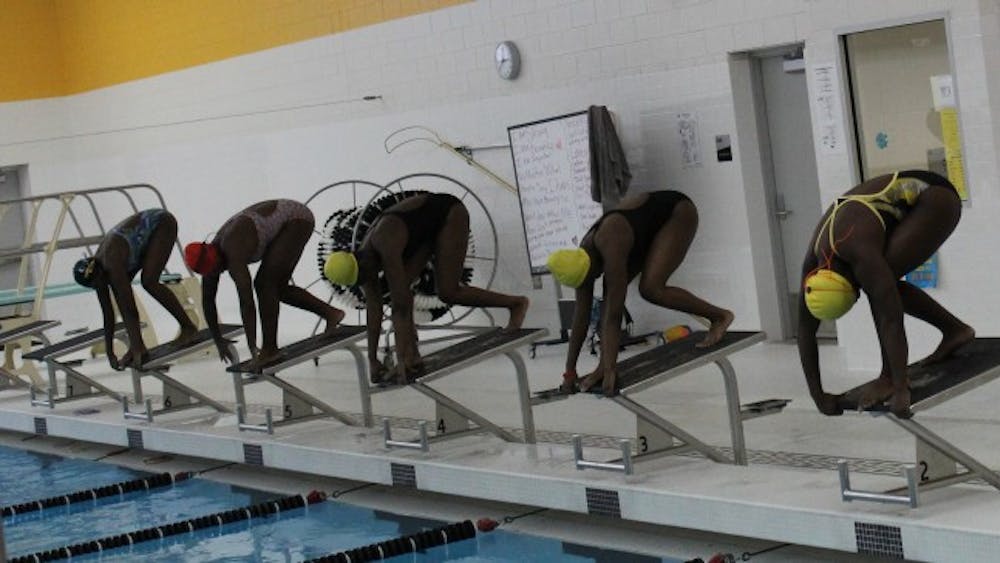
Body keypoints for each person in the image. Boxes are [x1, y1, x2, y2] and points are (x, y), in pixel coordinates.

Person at [798, 170, 973, 418]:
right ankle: (955, 330)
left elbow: (890, 318)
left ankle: (892, 374)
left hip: (934, 198)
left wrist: (900, 387)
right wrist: (818, 396)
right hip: (879, 214)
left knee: (881, 285)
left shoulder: (857, 249)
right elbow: (805, 330)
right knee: (881, 284)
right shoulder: (811, 268)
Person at [323, 192, 530, 384]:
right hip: (420, 234)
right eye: (363, 280)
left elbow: (401, 305)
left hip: (447, 214)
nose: (371, 281)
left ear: (363, 261)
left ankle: (516, 304)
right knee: (401, 290)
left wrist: (401, 359)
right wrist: (372, 359)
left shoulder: (384, 243)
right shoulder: (360, 267)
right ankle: (412, 354)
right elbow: (374, 309)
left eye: (368, 275)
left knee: (448, 292)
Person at [548, 191, 734, 396]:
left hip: (676, 213)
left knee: (651, 289)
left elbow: (614, 314)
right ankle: (604, 364)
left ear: (591, 266)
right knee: (611, 300)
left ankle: (720, 316)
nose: (590, 283)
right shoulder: (580, 261)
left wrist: (609, 368)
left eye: (591, 278)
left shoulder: (610, 241)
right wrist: (569, 372)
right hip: (640, 232)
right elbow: (580, 319)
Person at [185, 199, 345, 369]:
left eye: (218, 269)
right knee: (278, 289)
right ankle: (331, 314)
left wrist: (253, 348)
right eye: (212, 273)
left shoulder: (233, 251)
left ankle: (270, 349)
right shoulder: (208, 259)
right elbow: (208, 301)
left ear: (216, 257)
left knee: (264, 284)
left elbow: (247, 302)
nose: (219, 273)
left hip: (295, 219)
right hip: (279, 223)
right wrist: (217, 339)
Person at [73, 209, 198, 370]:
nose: (102, 287)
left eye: (101, 283)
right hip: (138, 241)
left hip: (161, 224)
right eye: (97, 286)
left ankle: (188, 327)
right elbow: (108, 313)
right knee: (121, 295)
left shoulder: (111, 263)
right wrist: (110, 352)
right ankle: (137, 345)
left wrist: (136, 344)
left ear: (100, 273)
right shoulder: (98, 273)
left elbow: (130, 308)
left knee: (149, 282)